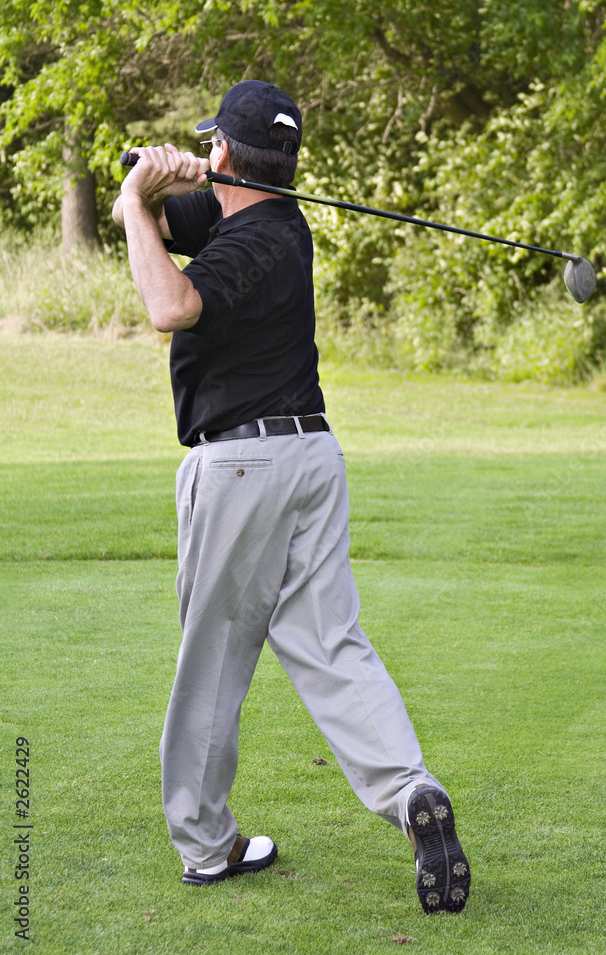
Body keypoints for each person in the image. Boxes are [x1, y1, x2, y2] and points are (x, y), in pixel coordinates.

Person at [112, 79, 470, 914]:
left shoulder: (251, 238)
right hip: (310, 458)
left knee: (212, 660)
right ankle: (409, 792)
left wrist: (131, 198)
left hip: (243, 467)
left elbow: (169, 303)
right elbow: (165, 225)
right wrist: (151, 181)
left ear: (225, 152)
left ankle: (206, 847)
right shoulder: (271, 221)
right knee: (330, 645)